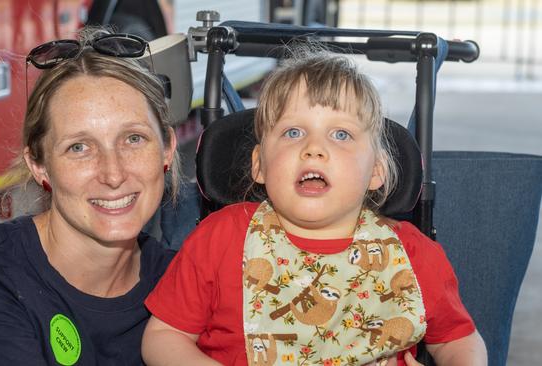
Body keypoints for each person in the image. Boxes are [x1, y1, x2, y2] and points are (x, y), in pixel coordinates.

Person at [142, 52, 488, 365]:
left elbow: (460, 341)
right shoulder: (219, 239)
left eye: (340, 135)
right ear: (260, 164)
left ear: (377, 171)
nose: (314, 149)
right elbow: (163, 338)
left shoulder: (414, 255)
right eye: (293, 132)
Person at [0, 27, 179, 365]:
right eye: (79, 147)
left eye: (134, 139)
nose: (113, 173)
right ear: (39, 165)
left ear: (167, 148)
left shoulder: (185, 284)